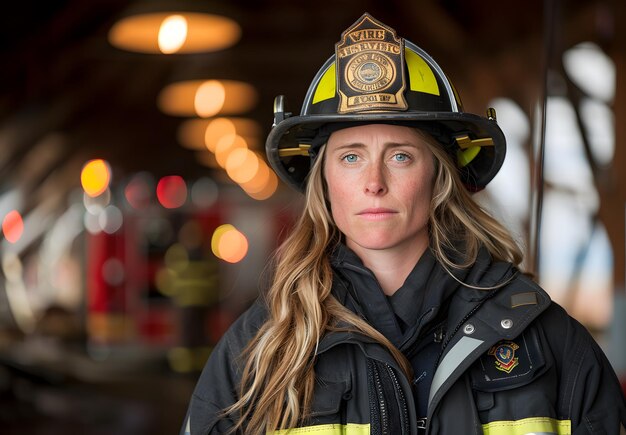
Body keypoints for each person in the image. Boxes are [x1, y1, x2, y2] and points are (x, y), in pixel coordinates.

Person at [181, 13, 626, 435]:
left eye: (400, 156)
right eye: (351, 157)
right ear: (325, 183)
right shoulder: (259, 348)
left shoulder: (546, 339)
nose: (374, 183)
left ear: (439, 178)